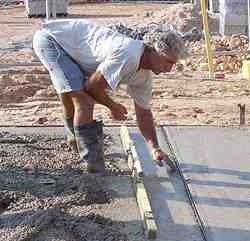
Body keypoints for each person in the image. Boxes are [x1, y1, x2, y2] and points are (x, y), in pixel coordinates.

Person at [33, 19, 188, 173]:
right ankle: (94, 171)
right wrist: (113, 106)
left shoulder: (144, 76)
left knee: (73, 93)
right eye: (167, 62)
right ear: (153, 51)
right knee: (83, 100)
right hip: (53, 40)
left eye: (173, 64)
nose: (169, 69)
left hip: (76, 47)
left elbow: (144, 113)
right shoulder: (129, 54)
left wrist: (154, 147)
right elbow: (92, 87)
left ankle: (76, 140)